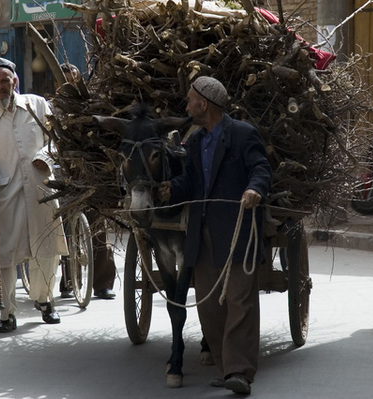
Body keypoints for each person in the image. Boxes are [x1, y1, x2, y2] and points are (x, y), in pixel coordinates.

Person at [157, 76, 272, 395]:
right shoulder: (194, 142)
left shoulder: (243, 134)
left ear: (203, 104)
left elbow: (261, 168)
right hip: (202, 234)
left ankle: (240, 371)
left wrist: (254, 188)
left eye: (190, 98)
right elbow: (191, 183)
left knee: (238, 300)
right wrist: (172, 189)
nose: (186, 104)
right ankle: (226, 367)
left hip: (237, 232)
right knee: (209, 306)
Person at [0, 57, 68, 332]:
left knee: (45, 247)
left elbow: (54, 140)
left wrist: (46, 157)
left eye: (5, 81)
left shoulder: (37, 105)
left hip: (40, 185)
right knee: (6, 253)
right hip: (4, 191)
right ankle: (7, 312)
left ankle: (45, 300)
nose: (0, 87)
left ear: (15, 81)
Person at [57, 63, 116, 300]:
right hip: (65, 172)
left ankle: (103, 283)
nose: (71, 83)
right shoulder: (55, 107)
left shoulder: (93, 104)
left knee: (98, 228)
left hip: (94, 172)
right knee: (67, 228)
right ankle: (70, 280)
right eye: (66, 80)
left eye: (74, 78)